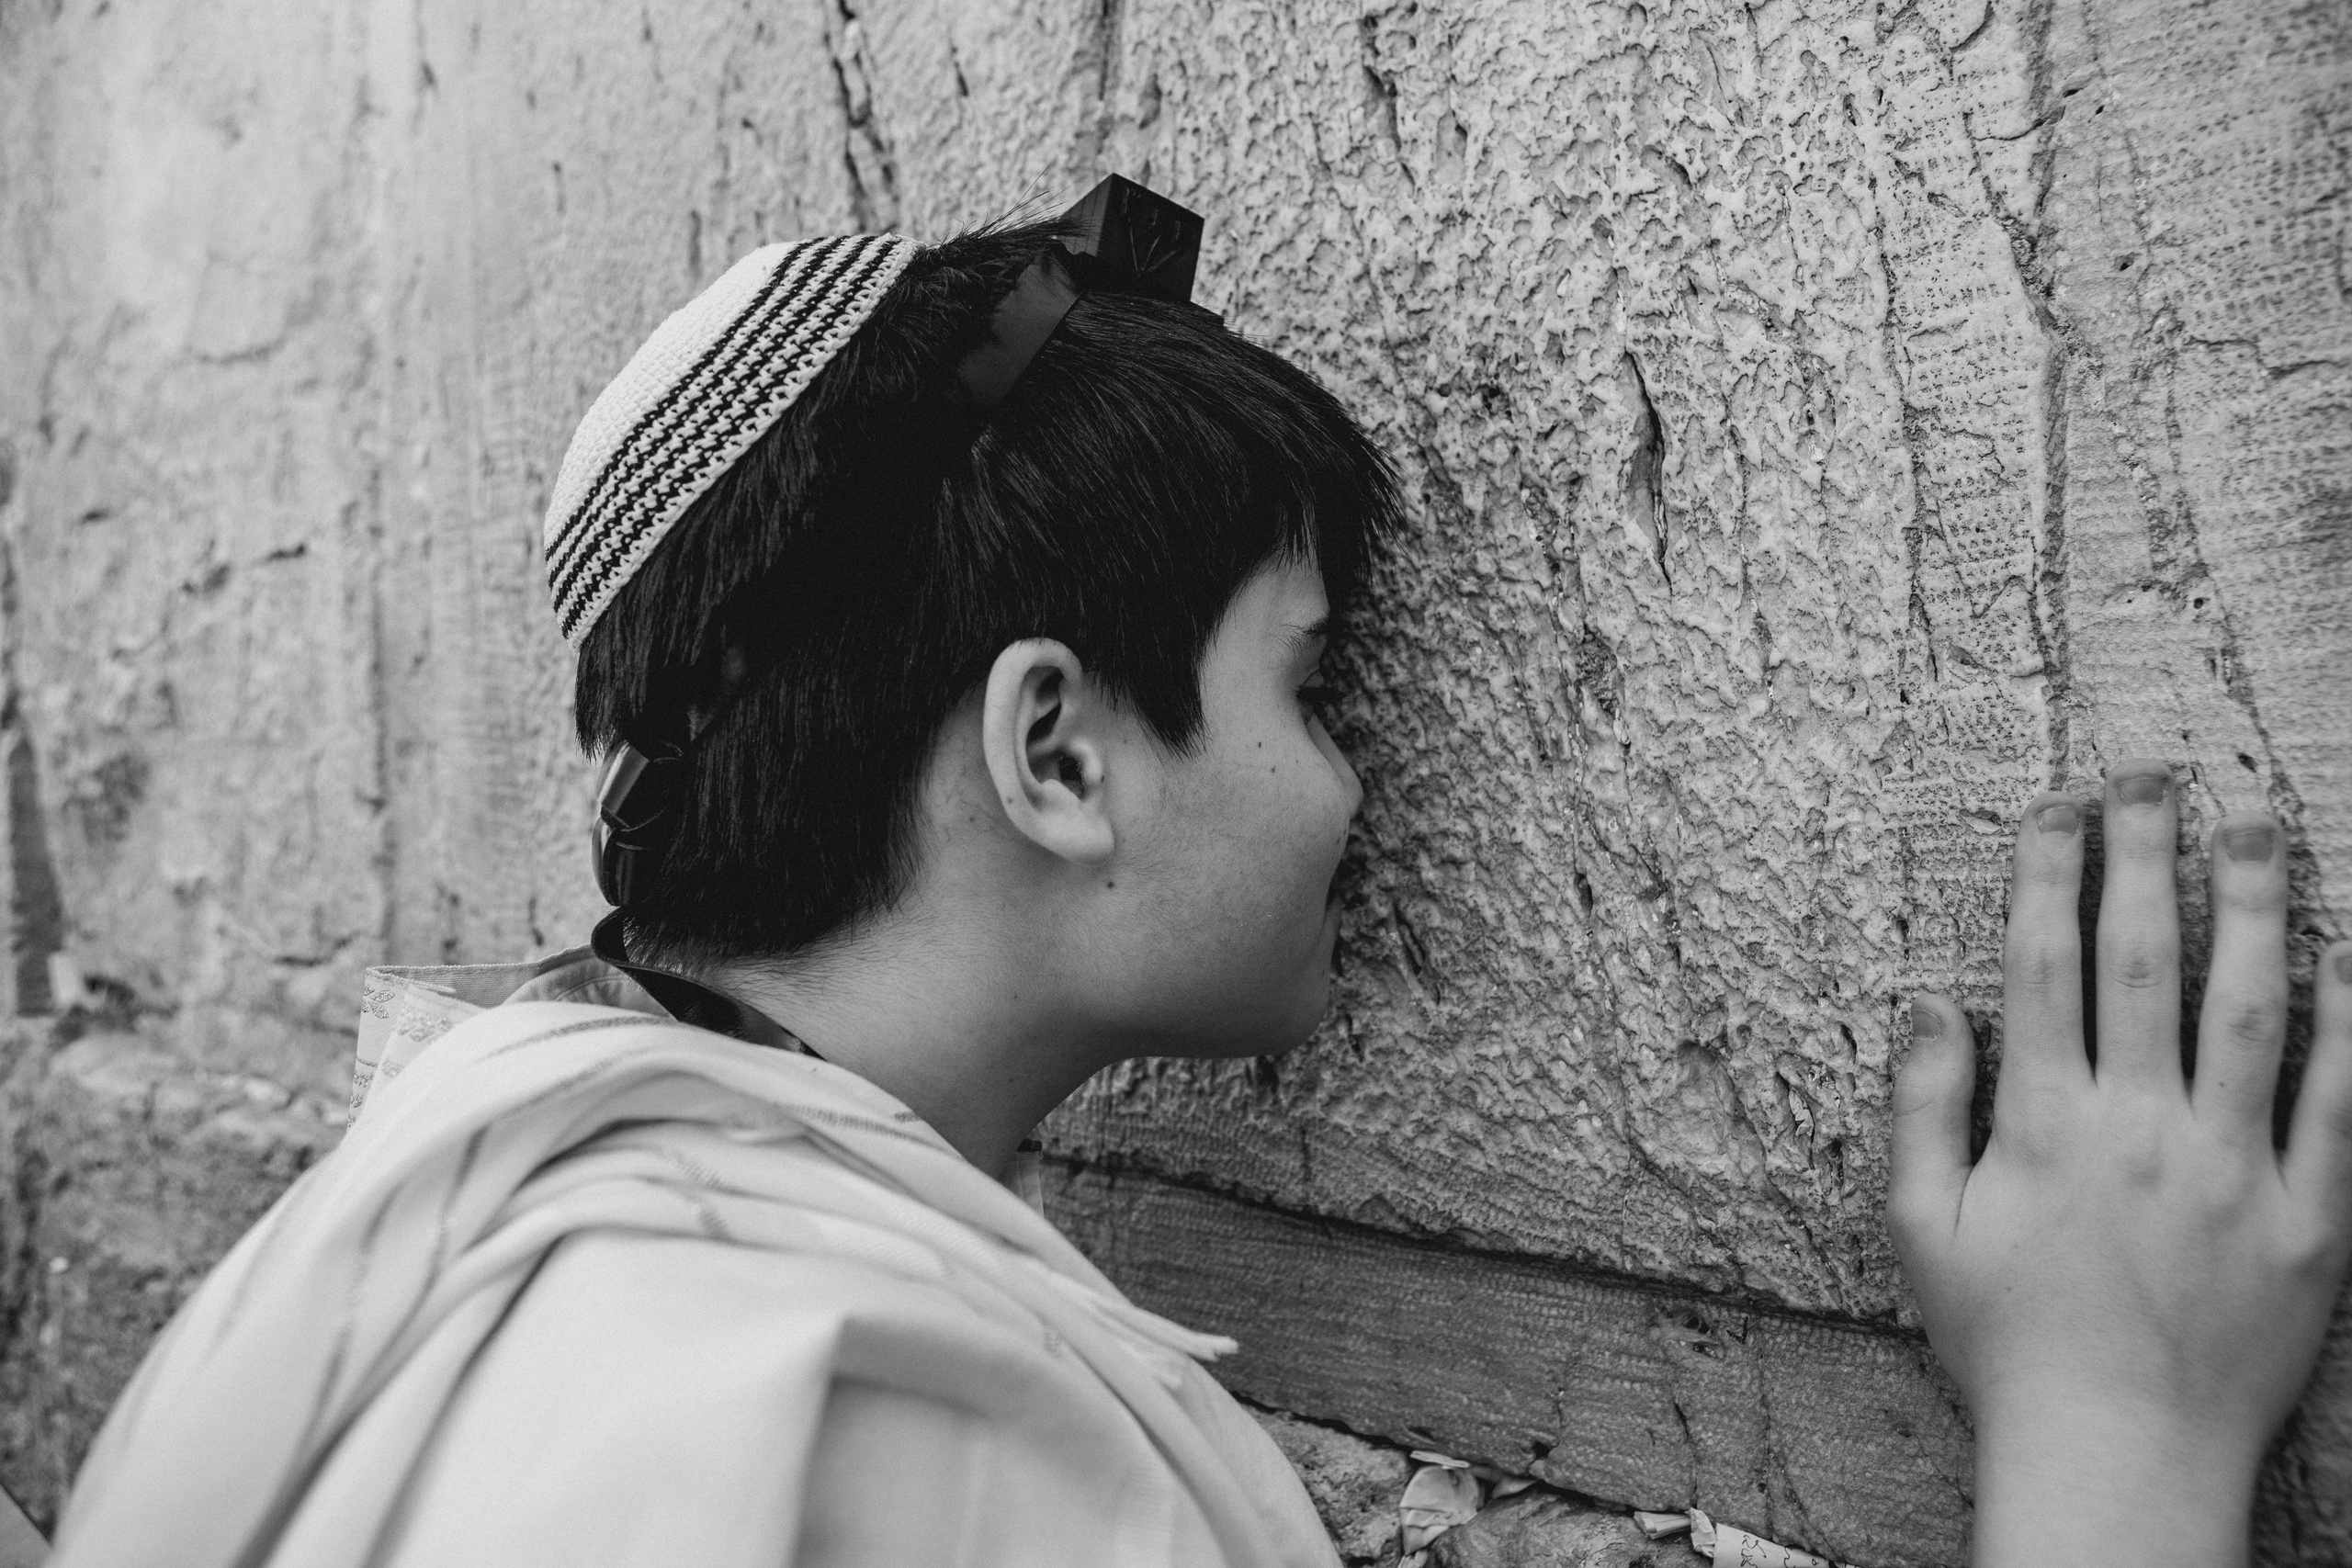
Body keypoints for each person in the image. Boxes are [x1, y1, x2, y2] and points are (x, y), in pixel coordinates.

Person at [40, 184, 2352, 1568]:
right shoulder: (844, 1420)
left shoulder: (453, 1199)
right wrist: (2116, 1435)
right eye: (1311, 685)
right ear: (1056, 744)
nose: (1356, 787)